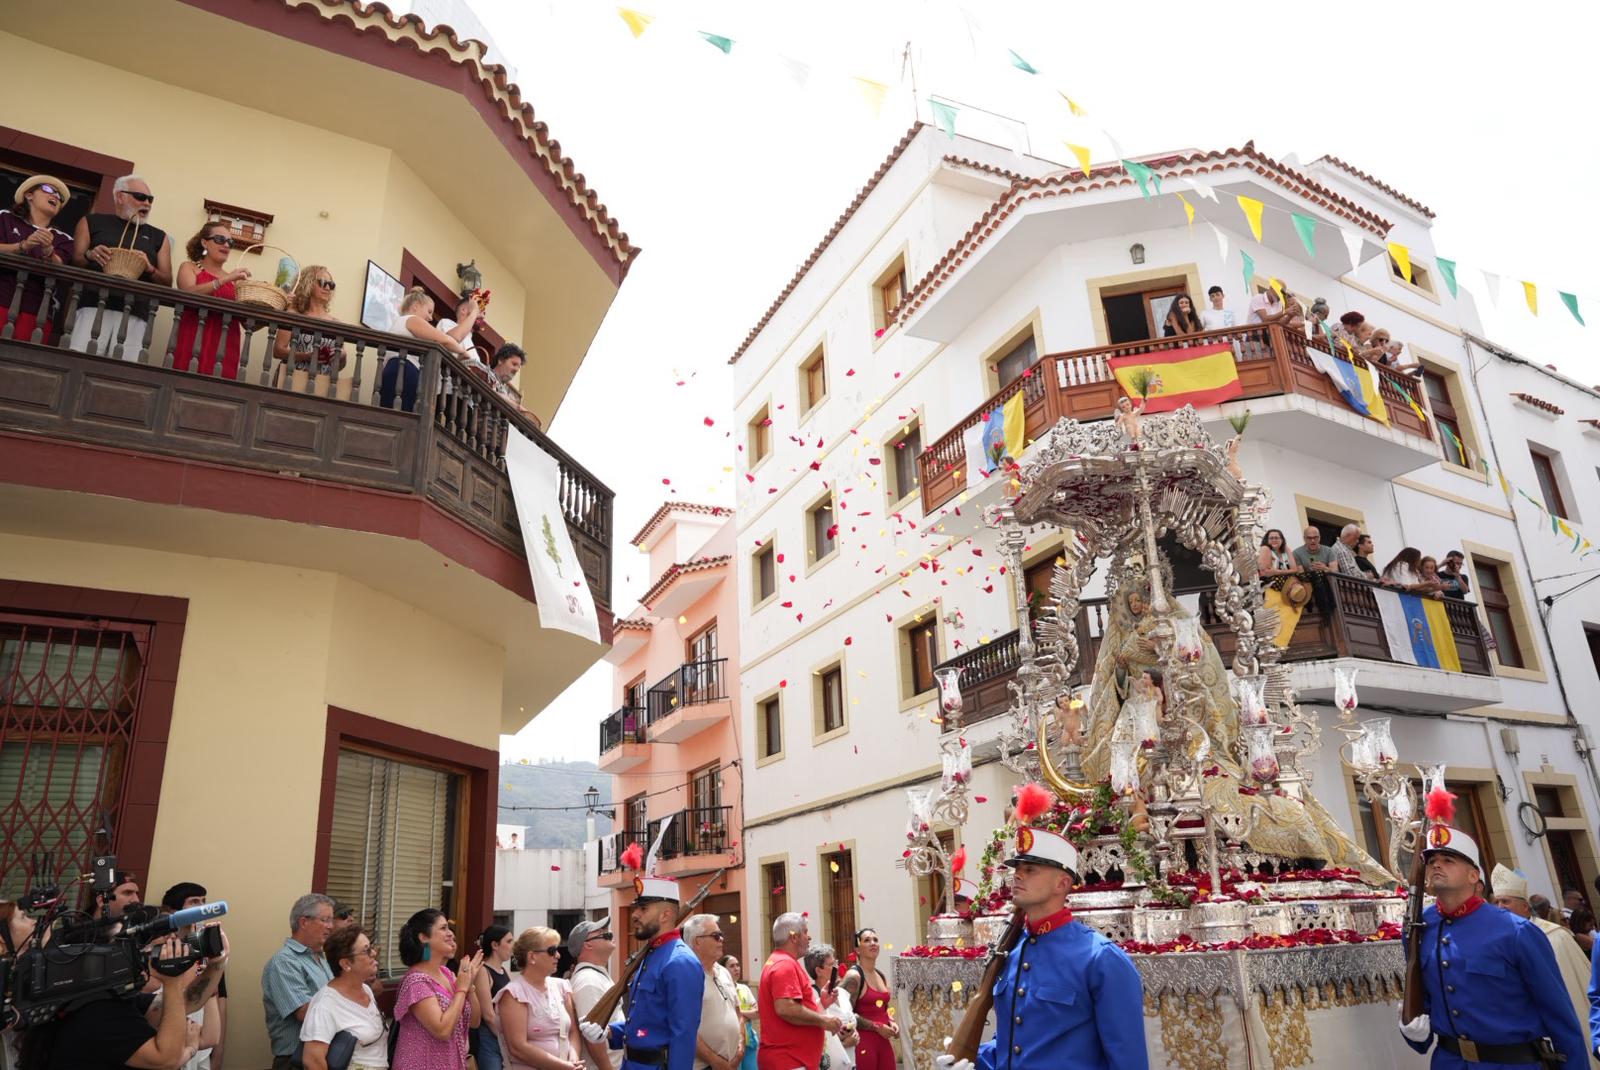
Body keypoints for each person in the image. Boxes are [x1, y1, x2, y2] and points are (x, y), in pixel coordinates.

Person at [936, 826, 1146, 1070]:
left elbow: (1129, 1061)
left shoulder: (1101, 958)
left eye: (1030, 869)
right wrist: (972, 1060)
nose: (1017, 875)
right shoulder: (1011, 952)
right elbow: (1015, 1045)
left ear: (1062, 883)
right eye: (1017, 869)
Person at [1398, 822, 1586, 1067]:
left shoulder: (1516, 931)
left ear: (1473, 875)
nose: (1436, 864)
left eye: (1448, 859)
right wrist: (1411, 1028)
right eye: (1431, 859)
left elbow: (1559, 1016)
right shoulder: (1419, 929)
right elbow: (1423, 1012)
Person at [35, 930, 229, 1070]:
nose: (135, 951)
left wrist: (217, 964)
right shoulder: (97, 1012)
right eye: (123, 946)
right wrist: (191, 1047)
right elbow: (166, 1060)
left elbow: (185, 1003)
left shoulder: (112, 998)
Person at [578, 876, 703, 1070]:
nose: (635, 914)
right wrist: (610, 1031)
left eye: (643, 909)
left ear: (665, 915)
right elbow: (649, 1023)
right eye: (636, 908)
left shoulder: (680, 961)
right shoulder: (650, 954)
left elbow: (683, 1035)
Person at [1489, 865, 1598, 1066]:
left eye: (1506, 901)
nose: (1500, 907)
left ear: (1525, 907)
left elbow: (1575, 990)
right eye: (1496, 902)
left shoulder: (1554, 937)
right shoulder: (1493, 942)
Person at [69, 174, 173, 361]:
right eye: (140, 197)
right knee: (80, 362)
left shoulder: (159, 236)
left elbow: (166, 281)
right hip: (93, 304)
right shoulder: (91, 221)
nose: (147, 204)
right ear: (119, 196)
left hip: (135, 312)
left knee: (123, 374)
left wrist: (149, 268)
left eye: (150, 199)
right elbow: (75, 261)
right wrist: (90, 255)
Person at [393, 908, 483, 1069]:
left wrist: (469, 986)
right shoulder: (416, 981)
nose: (450, 934)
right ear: (423, 938)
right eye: (443, 928)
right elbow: (442, 1030)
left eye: (448, 928)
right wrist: (461, 989)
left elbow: (475, 1022)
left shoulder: (447, 973)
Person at [755, 912, 841, 1070]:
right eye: (805, 932)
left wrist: (820, 1004)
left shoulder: (779, 961)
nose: (809, 937)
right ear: (793, 937)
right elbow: (786, 1009)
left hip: (791, 1061)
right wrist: (824, 1021)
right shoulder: (784, 965)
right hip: (789, 1061)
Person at [262, 893, 336, 1070]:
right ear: (304, 922)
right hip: (296, 1059)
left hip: (324, 1054)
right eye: (325, 920)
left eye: (331, 920)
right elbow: (305, 1013)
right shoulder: (284, 962)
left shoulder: (320, 958)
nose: (331, 926)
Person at [299, 924, 388, 1070]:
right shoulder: (325, 1004)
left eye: (371, 947)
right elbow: (312, 1061)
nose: (373, 953)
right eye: (366, 951)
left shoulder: (365, 989)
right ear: (346, 964)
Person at [159, 882, 227, 1070]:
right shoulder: (161, 949)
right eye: (194, 901)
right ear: (174, 911)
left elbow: (220, 996)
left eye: (204, 901)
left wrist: (218, 1050)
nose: (201, 907)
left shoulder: (209, 944)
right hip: (169, 1042)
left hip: (203, 1045)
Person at [497, 927, 586, 1070]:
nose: (558, 955)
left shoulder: (562, 987)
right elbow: (517, 1047)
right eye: (552, 951)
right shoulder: (513, 994)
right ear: (532, 956)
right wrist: (565, 1067)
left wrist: (574, 1059)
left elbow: (573, 1032)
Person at [0, 175, 76, 343]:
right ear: (29, 195)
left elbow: (60, 265)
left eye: (59, 196)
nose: (56, 196)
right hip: (1, 297)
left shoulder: (64, 238)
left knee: (21, 363)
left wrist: (49, 251)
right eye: (48, 189)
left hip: (36, 310)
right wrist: (23, 245)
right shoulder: (5, 218)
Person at [380, 288, 476, 412]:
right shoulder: (411, 319)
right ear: (415, 306)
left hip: (396, 371)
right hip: (404, 372)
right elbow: (445, 340)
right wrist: (462, 352)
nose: (431, 318)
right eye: (429, 311)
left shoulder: (399, 322)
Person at [172, 222, 248, 379]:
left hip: (224, 346)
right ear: (204, 242)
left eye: (230, 242)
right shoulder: (189, 267)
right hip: (192, 337)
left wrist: (281, 306)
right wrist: (226, 279)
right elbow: (187, 292)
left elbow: (247, 323)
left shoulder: (235, 282)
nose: (226, 244)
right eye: (220, 239)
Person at [272, 265, 348, 396]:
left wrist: (342, 356)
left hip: (322, 387)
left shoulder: (336, 323)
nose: (328, 288)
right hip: (291, 381)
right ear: (308, 284)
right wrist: (307, 356)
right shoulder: (293, 314)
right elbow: (278, 351)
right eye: (323, 282)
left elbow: (339, 367)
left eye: (331, 284)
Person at [683, 915, 744, 1070]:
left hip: (732, 1062)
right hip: (704, 1066)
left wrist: (740, 1047)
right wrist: (716, 1062)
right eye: (716, 936)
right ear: (697, 941)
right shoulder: (686, 975)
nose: (721, 939)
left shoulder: (723, 971)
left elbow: (738, 1012)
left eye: (721, 935)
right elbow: (685, 1028)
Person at [567, 918, 623, 1070]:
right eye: (602, 933)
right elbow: (591, 1035)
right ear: (587, 945)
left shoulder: (595, 975)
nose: (610, 935)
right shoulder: (588, 980)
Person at [839, 929, 895, 1070]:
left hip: (884, 1044)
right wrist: (876, 1026)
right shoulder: (854, 977)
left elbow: (883, 1008)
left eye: (875, 940)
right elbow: (844, 1015)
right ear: (857, 949)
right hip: (863, 1044)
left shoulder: (880, 975)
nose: (873, 943)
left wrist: (892, 1021)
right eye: (867, 940)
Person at [802, 943, 856, 1070]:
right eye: (832, 965)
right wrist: (843, 1042)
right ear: (818, 971)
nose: (837, 967)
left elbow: (850, 1020)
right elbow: (811, 1034)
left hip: (851, 1063)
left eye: (836, 962)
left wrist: (855, 1035)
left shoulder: (842, 993)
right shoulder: (812, 997)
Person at [473, 925, 515, 1070]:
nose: (512, 946)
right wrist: (507, 1041)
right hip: (489, 1038)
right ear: (495, 945)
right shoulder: (483, 971)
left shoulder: (502, 970)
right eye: (509, 941)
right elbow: (488, 1015)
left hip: (501, 1033)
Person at [718, 955, 759, 1070]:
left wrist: (739, 1013)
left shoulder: (744, 989)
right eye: (732, 966)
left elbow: (757, 1013)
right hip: (732, 1045)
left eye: (738, 965)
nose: (736, 968)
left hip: (749, 1042)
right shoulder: (721, 990)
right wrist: (746, 1014)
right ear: (723, 970)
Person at [1292, 526, 1340, 616]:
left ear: (1319, 537)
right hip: (1310, 586)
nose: (1313, 541)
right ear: (1304, 539)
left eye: (1315, 537)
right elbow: (1300, 574)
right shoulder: (1296, 553)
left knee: (1320, 575)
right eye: (1309, 538)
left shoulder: (1329, 551)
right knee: (1315, 575)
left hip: (1327, 586)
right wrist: (1310, 571)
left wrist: (1325, 568)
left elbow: (1335, 571)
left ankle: (1328, 607)